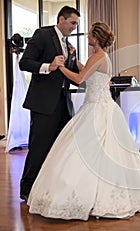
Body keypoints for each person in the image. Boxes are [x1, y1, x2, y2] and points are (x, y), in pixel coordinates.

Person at [26, 21, 140, 220]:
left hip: (96, 109)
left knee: (85, 150)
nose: (87, 37)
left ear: (95, 38)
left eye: (90, 35)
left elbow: (80, 79)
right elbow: (87, 71)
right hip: (99, 106)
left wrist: (60, 67)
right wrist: (74, 58)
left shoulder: (98, 56)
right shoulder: (99, 57)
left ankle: (87, 195)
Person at [18, 6, 80, 202]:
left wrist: (73, 57)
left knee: (62, 148)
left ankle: (52, 186)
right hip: (43, 103)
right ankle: (26, 189)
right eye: (72, 23)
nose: (74, 27)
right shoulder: (43, 34)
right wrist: (48, 66)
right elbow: (24, 62)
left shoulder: (68, 44)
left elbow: (67, 73)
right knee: (39, 147)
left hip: (63, 103)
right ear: (61, 19)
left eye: (77, 24)